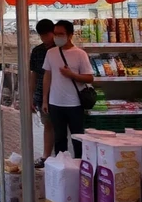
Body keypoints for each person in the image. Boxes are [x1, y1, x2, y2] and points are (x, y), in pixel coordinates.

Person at [42, 19, 94, 159]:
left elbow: (89, 78)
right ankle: (61, 166)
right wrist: (45, 100)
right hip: (55, 103)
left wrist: (72, 75)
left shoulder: (80, 54)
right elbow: (47, 76)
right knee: (59, 139)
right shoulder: (51, 53)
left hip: (75, 104)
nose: (57, 37)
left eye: (61, 34)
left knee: (77, 138)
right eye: (55, 34)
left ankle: (80, 166)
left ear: (70, 35)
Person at [30, 19, 56, 168]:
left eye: (47, 35)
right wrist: (31, 96)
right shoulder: (38, 51)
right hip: (42, 94)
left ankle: (62, 154)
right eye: (41, 36)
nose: (44, 39)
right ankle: (46, 156)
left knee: (62, 125)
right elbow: (33, 74)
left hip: (62, 93)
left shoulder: (62, 49)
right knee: (48, 124)